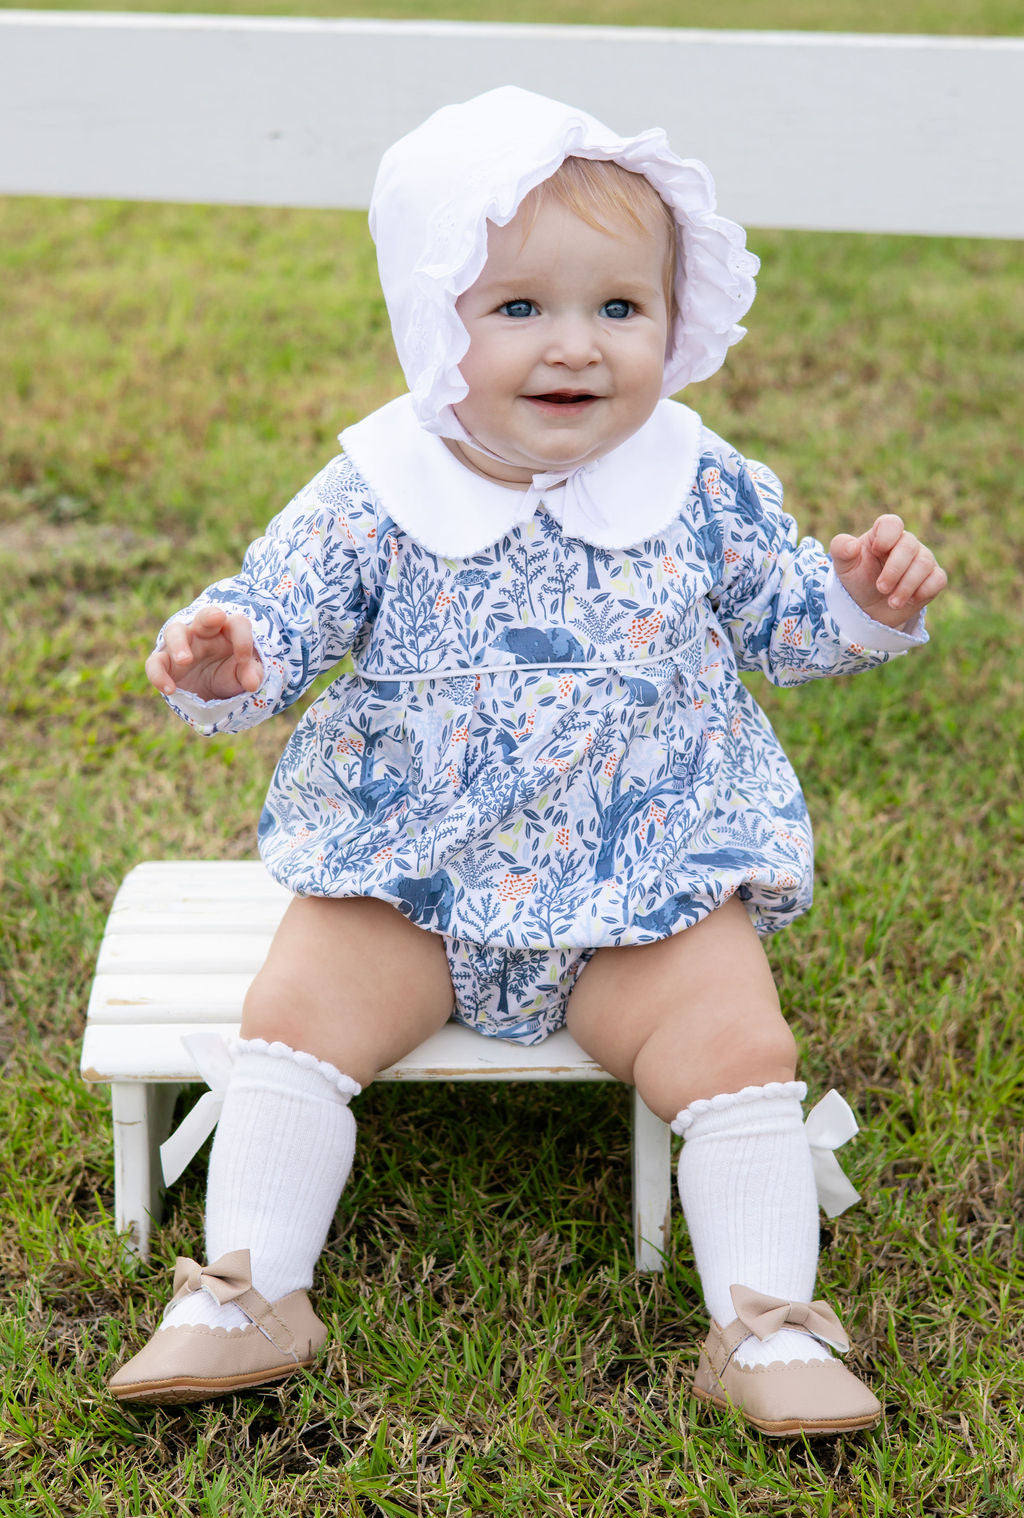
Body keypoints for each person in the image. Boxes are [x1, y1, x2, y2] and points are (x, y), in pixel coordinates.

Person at [109, 87, 946, 1433]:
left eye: (620, 308)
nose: (576, 347)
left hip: (649, 874)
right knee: (298, 1013)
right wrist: (230, 654)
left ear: (675, 322)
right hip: (414, 875)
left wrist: (861, 604)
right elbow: (280, 611)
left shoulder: (696, 476)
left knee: (736, 1041)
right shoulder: (377, 490)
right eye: (519, 310)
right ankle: (248, 1286)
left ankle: (764, 1320)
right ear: (431, 322)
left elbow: (784, 624)